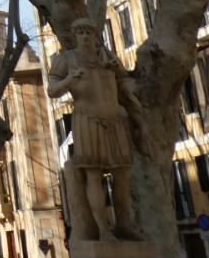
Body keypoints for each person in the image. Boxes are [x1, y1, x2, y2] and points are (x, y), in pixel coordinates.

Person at [48, 17, 146, 242]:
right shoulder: (66, 60)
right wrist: (69, 81)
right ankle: (103, 229)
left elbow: (125, 84)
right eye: (80, 33)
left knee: (122, 176)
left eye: (88, 32)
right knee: (94, 176)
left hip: (115, 121)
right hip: (87, 120)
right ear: (75, 36)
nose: (84, 36)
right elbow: (52, 90)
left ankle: (124, 225)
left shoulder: (108, 57)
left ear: (95, 35)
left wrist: (136, 100)